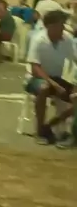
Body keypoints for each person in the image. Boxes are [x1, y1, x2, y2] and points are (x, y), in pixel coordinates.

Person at [26, 10, 76, 145]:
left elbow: (72, 64)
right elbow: (35, 68)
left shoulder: (67, 39)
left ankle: (51, 125)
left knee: (76, 96)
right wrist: (54, 84)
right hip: (38, 78)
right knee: (44, 88)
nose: (63, 28)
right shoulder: (38, 40)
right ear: (50, 26)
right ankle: (39, 131)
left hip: (60, 79)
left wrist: (73, 85)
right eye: (61, 25)